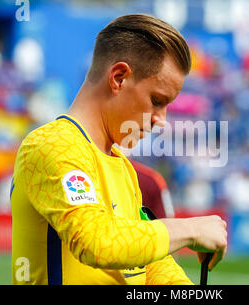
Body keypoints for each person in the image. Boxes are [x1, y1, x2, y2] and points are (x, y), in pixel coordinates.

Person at [11, 14, 227, 285]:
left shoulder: (123, 168)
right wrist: (191, 229)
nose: (161, 120)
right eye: (157, 100)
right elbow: (96, 242)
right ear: (119, 77)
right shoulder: (52, 145)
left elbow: (149, 267)